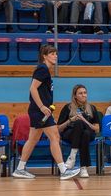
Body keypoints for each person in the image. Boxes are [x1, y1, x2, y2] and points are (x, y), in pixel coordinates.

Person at [12, 45, 81, 181]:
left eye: (56, 53)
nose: (55, 56)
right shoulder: (42, 69)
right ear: (44, 56)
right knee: (55, 136)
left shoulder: (44, 70)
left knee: (33, 139)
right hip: (40, 111)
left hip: (39, 111)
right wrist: (42, 107)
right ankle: (63, 170)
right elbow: (33, 89)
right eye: (52, 54)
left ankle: (20, 169)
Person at [56, 84, 101, 178]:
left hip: (88, 133)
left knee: (85, 133)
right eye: (80, 93)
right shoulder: (67, 107)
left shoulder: (92, 108)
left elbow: (97, 129)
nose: (83, 95)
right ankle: (83, 167)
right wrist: (70, 120)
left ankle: (72, 157)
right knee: (81, 127)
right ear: (75, 96)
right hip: (70, 134)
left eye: (85, 93)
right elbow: (59, 128)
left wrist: (84, 121)